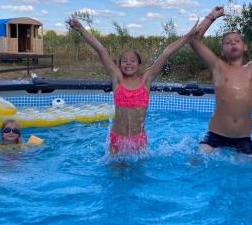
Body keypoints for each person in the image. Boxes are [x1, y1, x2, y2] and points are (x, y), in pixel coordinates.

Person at [67, 17, 199, 154]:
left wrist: (188, 36)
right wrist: (81, 29)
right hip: (116, 140)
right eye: (124, 61)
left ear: (139, 64)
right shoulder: (117, 79)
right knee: (115, 174)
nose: (128, 63)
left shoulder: (146, 81)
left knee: (138, 174)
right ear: (119, 65)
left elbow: (166, 53)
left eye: (132, 60)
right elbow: (101, 50)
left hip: (139, 140)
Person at [189, 6, 252, 156]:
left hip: (242, 138)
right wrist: (211, 16)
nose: (232, 43)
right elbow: (193, 40)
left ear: (244, 47)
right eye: (228, 42)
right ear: (222, 50)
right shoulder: (218, 66)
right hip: (215, 135)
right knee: (197, 161)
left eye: (237, 40)